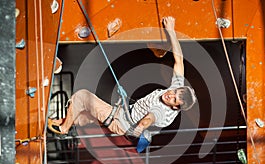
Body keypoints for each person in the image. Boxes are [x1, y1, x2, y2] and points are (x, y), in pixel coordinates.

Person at [48, 16, 197, 152]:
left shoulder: (162, 111)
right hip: (125, 113)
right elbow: (179, 60)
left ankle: (63, 129)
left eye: (174, 99)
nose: (170, 95)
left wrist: (141, 128)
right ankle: (62, 122)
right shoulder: (175, 91)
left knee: (81, 97)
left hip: (121, 121)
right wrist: (170, 30)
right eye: (174, 92)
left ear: (176, 107)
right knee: (85, 117)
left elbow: (149, 118)